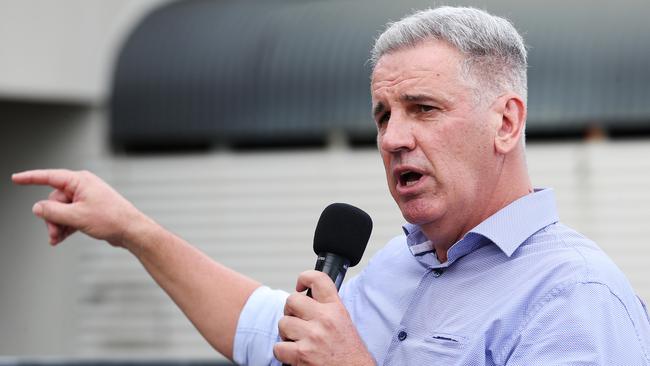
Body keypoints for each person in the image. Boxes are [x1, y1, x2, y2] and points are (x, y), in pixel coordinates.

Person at [12, 6, 650, 366]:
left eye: (423, 109)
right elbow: (264, 329)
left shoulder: (574, 299)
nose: (393, 137)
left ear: (505, 122)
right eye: (382, 116)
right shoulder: (402, 266)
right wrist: (134, 230)